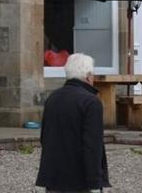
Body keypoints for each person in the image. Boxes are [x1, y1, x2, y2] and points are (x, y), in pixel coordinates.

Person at [35, 52, 109, 193]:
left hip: (53, 178)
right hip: (79, 181)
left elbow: (45, 137)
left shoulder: (53, 98)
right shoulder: (91, 102)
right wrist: (95, 184)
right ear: (88, 76)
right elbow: (92, 145)